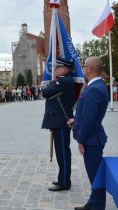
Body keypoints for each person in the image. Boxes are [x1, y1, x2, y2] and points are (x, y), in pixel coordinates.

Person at [68, 57, 108, 210]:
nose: (82, 69)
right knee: (94, 174)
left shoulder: (94, 89)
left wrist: (81, 140)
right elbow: (85, 115)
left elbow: (89, 120)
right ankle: (92, 203)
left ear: (90, 68)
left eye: (84, 66)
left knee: (96, 175)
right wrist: (76, 120)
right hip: (92, 137)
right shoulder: (96, 86)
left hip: (91, 140)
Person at [42, 57, 75, 192]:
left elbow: (45, 92)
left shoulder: (65, 81)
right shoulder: (61, 80)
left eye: (58, 67)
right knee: (61, 152)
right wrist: (51, 84)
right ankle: (63, 178)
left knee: (62, 152)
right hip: (58, 120)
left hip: (61, 121)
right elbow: (48, 90)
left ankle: (64, 182)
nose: (55, 69)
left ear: (65, 69)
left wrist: (50, 85)